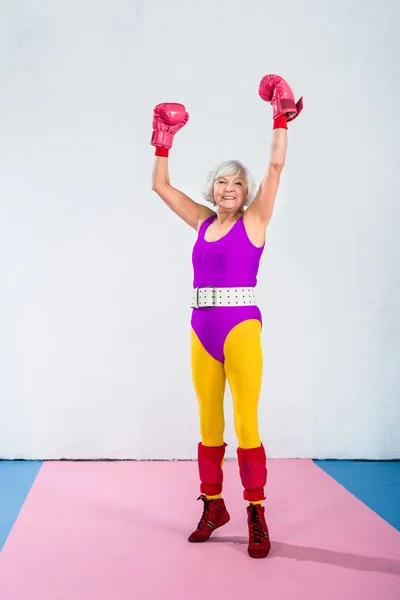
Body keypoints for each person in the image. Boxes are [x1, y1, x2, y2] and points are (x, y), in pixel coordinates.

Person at [151, 75, 303, 559]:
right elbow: (159, 185)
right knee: (208, 423)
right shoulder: (200, 221)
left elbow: (276, 166)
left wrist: (279, 117)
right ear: (212, 189)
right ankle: (213, 505)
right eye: (223, 181)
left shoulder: (255, 221)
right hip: (201, 328)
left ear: (247, 191)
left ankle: (256, 512)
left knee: (247, 424)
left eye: (239, 183)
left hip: (240, 328)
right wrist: (163, 140)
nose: (231, 188)